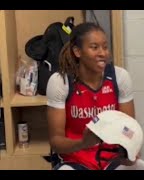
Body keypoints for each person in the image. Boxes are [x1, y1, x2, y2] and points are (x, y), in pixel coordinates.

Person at [46, 22, 135, 170]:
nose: (103, 53)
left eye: (105, 47)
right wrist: (83, 143)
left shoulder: (120, 77)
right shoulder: (60, 82)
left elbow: (129, 128)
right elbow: (56, 141)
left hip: (112, 159)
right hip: (74, 158)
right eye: (94, 47)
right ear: (77, 52)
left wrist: (130, 148)